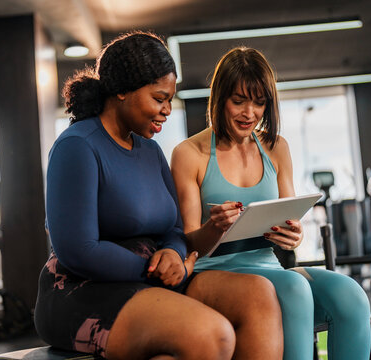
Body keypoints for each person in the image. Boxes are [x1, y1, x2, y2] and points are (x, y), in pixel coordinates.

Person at [34, 33, 284, 360]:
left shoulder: (150, 151)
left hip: (154, 279)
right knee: (213, 335)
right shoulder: (77, 146)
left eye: (170, 100)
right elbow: (78, 251)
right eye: (159, 98)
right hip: (83, 291)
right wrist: (157, 268)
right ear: (122, 90)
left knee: (258, 295)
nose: (167, 109)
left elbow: (174, 229)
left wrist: (172, 252)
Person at [171, 46, 371, 360]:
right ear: (220, 97)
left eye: (259, 102)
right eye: (238, 101)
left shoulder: (276, 148)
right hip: (210, 274)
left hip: (269, 267)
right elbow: (188, 242)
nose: (249, 113)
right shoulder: (189, 153)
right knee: (294, 288)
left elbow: (290, 222)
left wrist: (294, 236)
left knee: (352, 297)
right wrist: (215, 227)